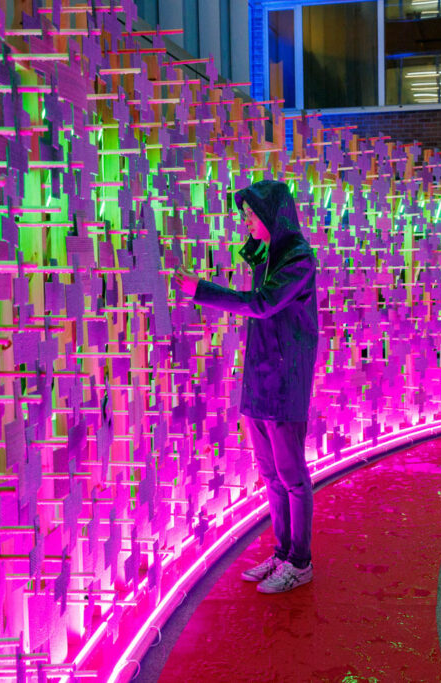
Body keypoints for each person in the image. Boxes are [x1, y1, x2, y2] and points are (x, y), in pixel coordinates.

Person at [174, 179, 319, 594]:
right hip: (259, 375)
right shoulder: (268, 256)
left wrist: (201, 291)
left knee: (291, 475)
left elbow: (262, 304)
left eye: (253, 214)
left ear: (273, 215)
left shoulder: (298, 259)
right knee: (271, 474)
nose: (246, 221)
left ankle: (301, 561)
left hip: (285, 377)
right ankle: (283, 552)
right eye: (245, 214)